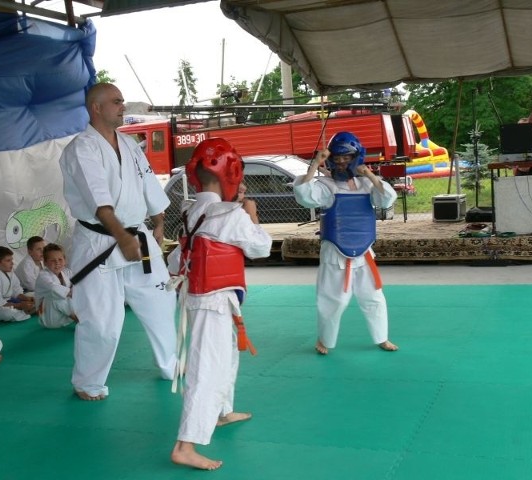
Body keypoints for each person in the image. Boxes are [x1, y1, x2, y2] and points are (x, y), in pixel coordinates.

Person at [58, 82, 177, 401]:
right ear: (96, 108)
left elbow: (148, 187)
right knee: (102, 320)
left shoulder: (129, 145)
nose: (123, 106)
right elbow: (98, 200)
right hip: (101, 243)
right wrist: (122, 236)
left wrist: (159, 224)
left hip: (137, 238)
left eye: (123, 101)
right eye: (116, 101)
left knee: (161, 301)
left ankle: (171, 364)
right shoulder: (81, 148)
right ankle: (88, 382)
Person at [166, 138, 272, 470]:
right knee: (206, 370)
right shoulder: (231, 215)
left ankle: (222, 412)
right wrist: (252, 215)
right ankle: (185, 445)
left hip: (202, 298)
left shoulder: (190, 211)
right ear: (232, 175)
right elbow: (261, 248)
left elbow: (175, 259)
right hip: (212, 301)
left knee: (225, 357)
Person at [293, 132, 398, 355]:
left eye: (346, 158)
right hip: (335, 251)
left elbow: (387, 199)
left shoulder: (366, 185)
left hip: (364, 251)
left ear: (357, 157)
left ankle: (382, 337)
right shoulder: (325, 185)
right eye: (337, 159)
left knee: (374, 297)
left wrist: (369, 174)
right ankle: (325, 339)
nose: (342, 163)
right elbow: (304, 195)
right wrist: (315, 164)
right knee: (334, 299)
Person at [0, 246, 34, 322]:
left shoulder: (10, 273)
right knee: (8, 313)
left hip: (8, 304)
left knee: (33, 296)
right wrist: (20, 305)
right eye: (8, 260)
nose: (12, 263)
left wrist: (27, 299)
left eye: (12, 260)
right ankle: (27, 310)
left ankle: (27, 309)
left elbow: (16, 290)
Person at [34, 243, 77, 329]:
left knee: (79, 291)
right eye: (52, 260)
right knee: (55, 296)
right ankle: (79, 320)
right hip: (50, 317)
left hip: (66, 316)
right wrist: (71, 292)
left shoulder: (67, 272)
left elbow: (77, 284)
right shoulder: (43, 276)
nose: (57, 263)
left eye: (60, 259)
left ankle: (79, 317)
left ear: (65, 260)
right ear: (45, 262)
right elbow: (53, 288)